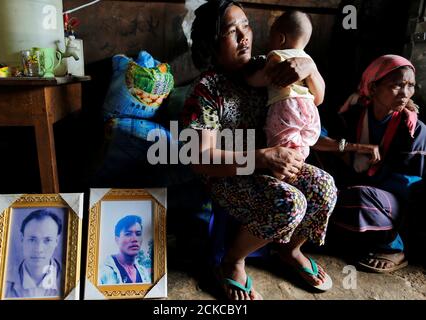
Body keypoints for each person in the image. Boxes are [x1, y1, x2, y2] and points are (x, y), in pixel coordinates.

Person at [182, 0, 337, 300]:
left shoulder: (271, 64)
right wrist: (262, 157)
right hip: (229, 173)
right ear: (212, 45)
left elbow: (316, 97)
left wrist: (310, 66)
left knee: (324, 188)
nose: (244, 36)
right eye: (231, 31)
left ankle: (289, 250)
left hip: (275, 163)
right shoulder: (207, 89)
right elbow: (199, 159)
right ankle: (232, 261)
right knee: (290, 203)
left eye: (246, 26)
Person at [312, 54, 426, 272]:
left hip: (387, 200)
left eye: (410, 86)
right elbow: (315, 137)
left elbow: (410, 184)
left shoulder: (414, 129)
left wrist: (366, 179)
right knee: (317, 177)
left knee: (358, 197)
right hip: (348, 185)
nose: (405, 93)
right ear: (373, 88)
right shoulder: (351, 114)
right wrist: (353, 148)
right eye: (397, 85)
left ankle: (393, 247)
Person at [247, 10, 322, 164]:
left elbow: (264, 78)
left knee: (281, 139)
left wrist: (250, 79)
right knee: (302, 144)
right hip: (309, 110)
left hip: (287, 106)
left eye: (270, 36)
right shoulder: (307, 59)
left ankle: (283, 169)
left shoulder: (276, 55)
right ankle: (298, 161)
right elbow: (318, 98)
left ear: (280, 38)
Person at [5, 209, 63, 298]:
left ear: (56, 241)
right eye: (32, 240)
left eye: (47, 240)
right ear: (22, 238)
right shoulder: (2, 280)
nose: (38, 249)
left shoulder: (70, 279)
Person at [99, 215, 151, 284]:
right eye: (128, 234)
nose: (134, 239)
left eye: (138, 234)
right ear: (117, 239)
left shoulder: (144, 273)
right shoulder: (102, 272)